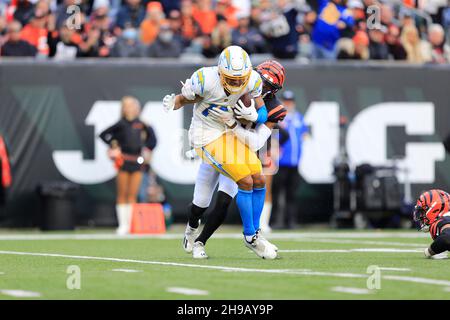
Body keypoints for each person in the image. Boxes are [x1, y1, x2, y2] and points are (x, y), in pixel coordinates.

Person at [162, 46, 276, 260]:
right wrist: (175, 102)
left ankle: (255, 233)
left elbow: (261, 111)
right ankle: (249, 236)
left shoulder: (252, 80)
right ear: (220, 72)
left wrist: (255, 115)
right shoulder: (205, 79)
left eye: (239, 78)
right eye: (231, 79)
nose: (235, 83)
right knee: (243, 182)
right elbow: (186, 99)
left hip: (232, 134)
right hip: (206, 135)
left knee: (259, 178)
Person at [99, 96, 157, 235]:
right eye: (127, 106)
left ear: (137, 108)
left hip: (137, 162)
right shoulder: (121, 124)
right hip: (123, 161)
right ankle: (122, 225)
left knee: (132, 194)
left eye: (132, 106)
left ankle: (131, 224)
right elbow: (103, 134)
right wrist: (113, 144)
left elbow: (153, 140)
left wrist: (147, 149)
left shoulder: (142, 124)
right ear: (123, 109)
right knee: (122, 194)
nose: (130, 108)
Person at [270, 90, 308, 229]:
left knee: (291, 194)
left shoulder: (298, 117)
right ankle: (273, 222)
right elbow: (272, 135)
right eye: (285, 102)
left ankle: (290, 221)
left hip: (294, 163)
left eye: (290, 102)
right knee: (276, 193)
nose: (288, 104)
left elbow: (304, 134)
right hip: (280, 162)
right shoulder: (279, 117)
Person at [413, 189, 450, 259]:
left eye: (423, 211)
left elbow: (446, 238)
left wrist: (429, 252)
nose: (421, 216)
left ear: (434, 208)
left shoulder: (444, 219)